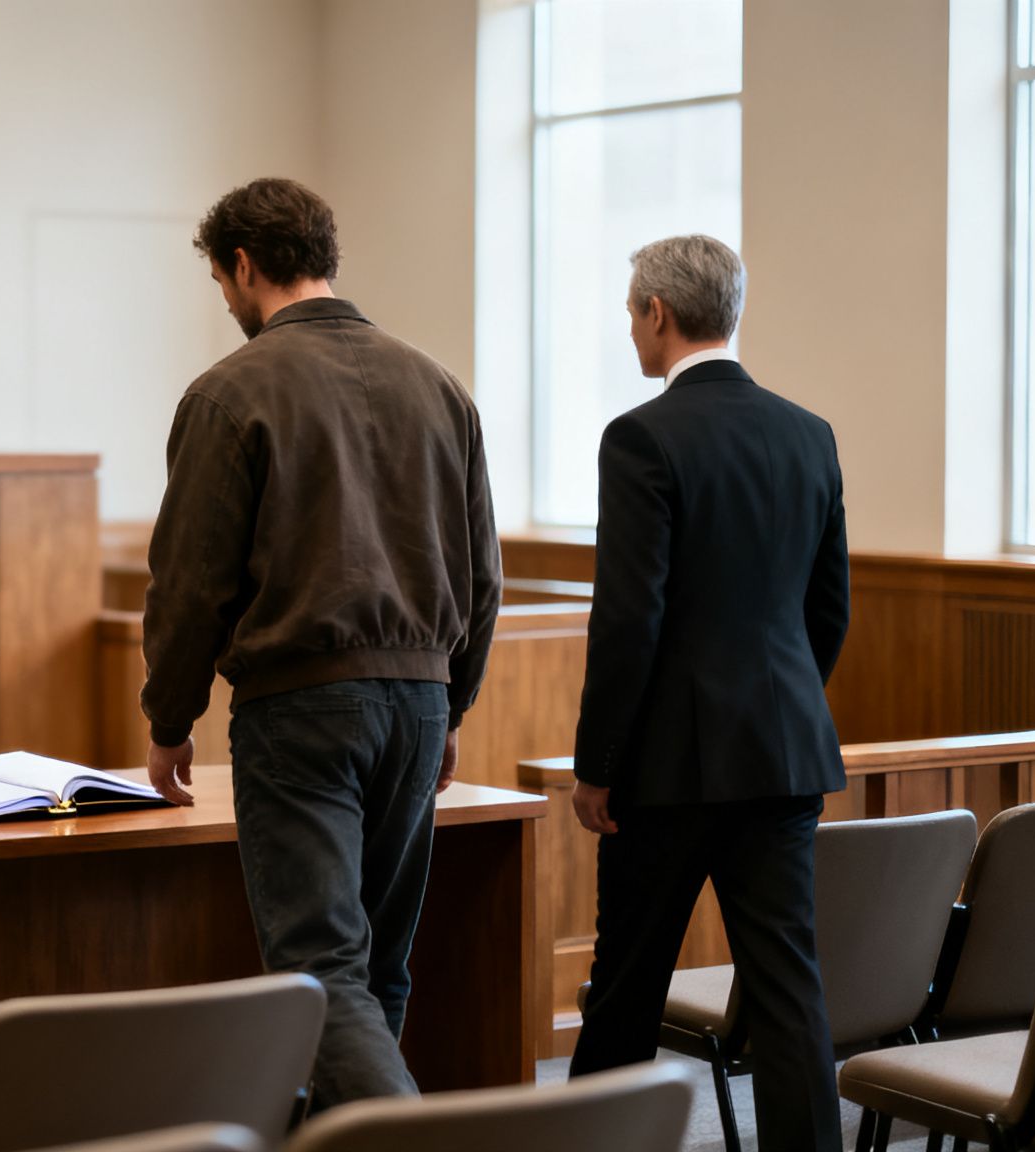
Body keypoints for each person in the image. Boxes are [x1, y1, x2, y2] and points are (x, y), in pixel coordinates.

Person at [141, 177, 501, 1108]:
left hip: (301, 708)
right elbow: (481, 575)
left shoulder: (229, 392)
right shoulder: (439, 386)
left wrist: (169, 716)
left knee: (320, 973)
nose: (227, 305)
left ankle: (409, 1143)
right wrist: (452, 705)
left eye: (223, 284)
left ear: (245, 265)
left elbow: (191, 583)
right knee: (378, 971)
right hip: (420, 708)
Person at [568, 235, 850, 1152]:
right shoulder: (809, 433)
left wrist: (597, 765)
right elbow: (828, 611)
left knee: (625, 989)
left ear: (657, 313)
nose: (630, 328)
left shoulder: (641, 436)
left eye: (629, 312)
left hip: (667, 768)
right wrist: (778, 708)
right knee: (787, 988)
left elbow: (627, 624)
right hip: (782, 756)